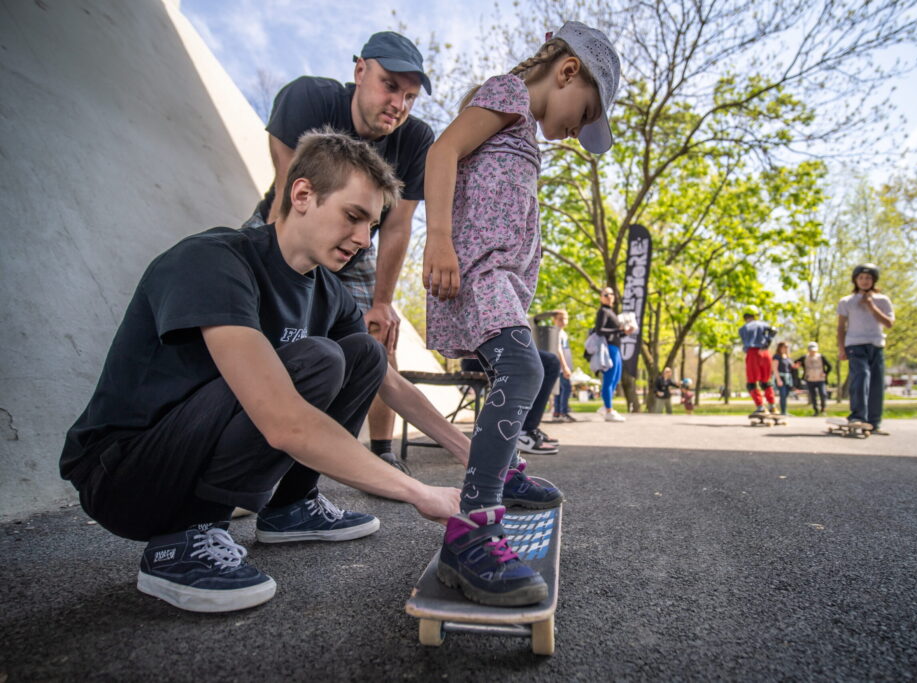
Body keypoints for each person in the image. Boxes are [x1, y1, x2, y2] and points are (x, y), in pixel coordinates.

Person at [59, 131, 465, 614]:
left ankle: (291, 508)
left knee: (365, 354)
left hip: (189, 448)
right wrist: (420, 494)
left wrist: (469, 449)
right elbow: (283, 419)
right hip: (124, 474)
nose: (363, 239)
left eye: (372, 225)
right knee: (320, 359)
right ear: (302, 195)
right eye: (353, 216)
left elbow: (388, 383)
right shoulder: (215, 260)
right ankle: (182, 541)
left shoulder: (326, 291)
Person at [422, 21, 620, 605]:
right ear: (567, 72)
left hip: (498, 278)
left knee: (532, 367)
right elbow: (442, 152)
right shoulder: (508, 93)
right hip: (476, 269)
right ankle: (473, 529)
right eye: (582, 114)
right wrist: (438, 239)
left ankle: (502, 472)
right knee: (527, 371)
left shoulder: (524, 130)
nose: (574, 132)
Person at [243, 31, 435, 470]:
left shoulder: (416, 139)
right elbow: (289, 200)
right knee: (266, 328)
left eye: (409, 96)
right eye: (390, 85)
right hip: (286, 228)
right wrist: (277, 277)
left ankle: (382, 451)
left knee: (379, 339)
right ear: (360, 70)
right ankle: (248, 448)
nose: (398, 104)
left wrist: (383, 302)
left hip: (358, 249)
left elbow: (398, 225)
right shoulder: (310, 98)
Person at [837, 263, 895, 434]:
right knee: (861, 377)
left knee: (877, 384)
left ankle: (874, 422)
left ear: (874, 280)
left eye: (868, 278)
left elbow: (889, 323)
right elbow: (841, 327)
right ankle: (858, 417)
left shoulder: (883, 300)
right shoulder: (846, 301)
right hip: (855, 345)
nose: (864, 281)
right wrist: (841, 348)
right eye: (861, 278)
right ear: (855, 280)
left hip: (876, 345)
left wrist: (871, 305)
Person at [593, 288, 633, 422]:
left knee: (616, 379)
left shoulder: (612, 312)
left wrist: (624, 333)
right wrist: (618, 329)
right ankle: (609, 411)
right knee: (609, 380)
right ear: (601, 298)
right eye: (605, 294)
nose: (609, 296)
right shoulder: (603, 311)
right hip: (608, 348)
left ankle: (605, 406)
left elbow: (615, 333)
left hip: (616, 348)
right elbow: (599, 330)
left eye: (611, 294)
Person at [738, 307, 778, 416]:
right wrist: (766, 343)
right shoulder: (763, 324)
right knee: (766, 381)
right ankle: (772, 406)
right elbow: (774, 330)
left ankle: (760, 407)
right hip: (765, 352)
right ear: (756, 315)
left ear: (745, 316)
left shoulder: (742, 329)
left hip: (752, 353)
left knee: (752, 382)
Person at [794, 342, 832, 416]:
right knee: (813, 395)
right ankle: (816, 411)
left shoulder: (821, 357)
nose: (812, 352)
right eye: (811, 350)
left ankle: (823, 409)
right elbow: (796, 362)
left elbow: (829, 366)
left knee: (823, 394)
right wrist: (800, 365)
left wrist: (825, 373)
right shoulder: (805, 357)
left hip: (820, 379)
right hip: (810, 379)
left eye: (814, 350)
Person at [551, 310, 577, 422]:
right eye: (560, 319)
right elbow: (558, 350)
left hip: (563, 366)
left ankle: (557, 412)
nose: (563, 321)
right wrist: (565, 366)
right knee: (566, 388)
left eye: (565, 318)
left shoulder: (563, 333)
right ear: (554, 320)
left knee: (560, 389)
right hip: (561, 366)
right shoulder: (556, 332)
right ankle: (563, 412)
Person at [772, 341, 795, 416]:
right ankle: (783, 411)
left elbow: (791, 367)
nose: (786, 348)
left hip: (788, 378)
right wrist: (778, 379)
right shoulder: (777, 356)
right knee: (783, 394)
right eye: (785, 346)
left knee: (786, 395)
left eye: (787, 347)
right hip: (781, 377)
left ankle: (785, 410)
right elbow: (775, 368)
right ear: (780, 347)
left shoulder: (787, 357)